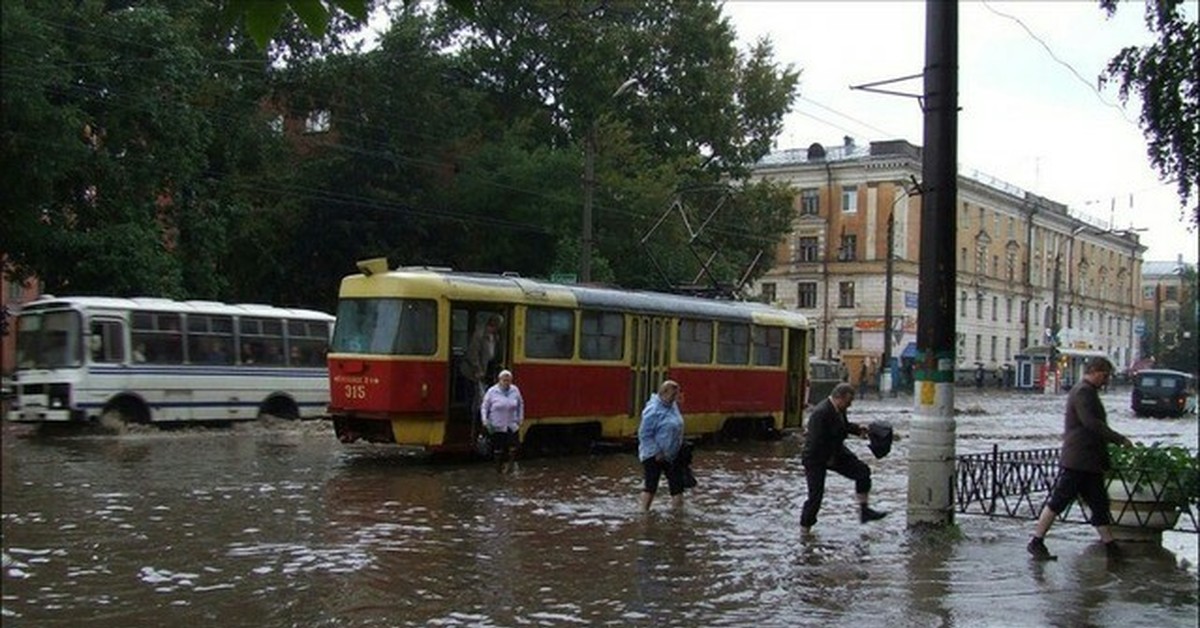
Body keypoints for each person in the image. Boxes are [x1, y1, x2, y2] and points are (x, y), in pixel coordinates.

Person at [1028, 357, 1133, 560]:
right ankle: (1036, 541)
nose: (1106, 380)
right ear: (1094, 371)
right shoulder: (1084, 391)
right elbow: (1091, 423)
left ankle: (1111, 548)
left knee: (1099, 503)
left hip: (1087, 461)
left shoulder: (1087, 390)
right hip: (1079, 460)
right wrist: (1120, 439)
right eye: (1104, 375)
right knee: (1059, 501)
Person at [800, 382, 887, 533]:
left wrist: (859, 429)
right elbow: (815, 441)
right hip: (816, 458)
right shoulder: (821, 413)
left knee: (863, 471)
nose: (850, 405)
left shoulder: (839, 409)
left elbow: (844, 426)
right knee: (816, 496)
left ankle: (864, 510)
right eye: (848, 402)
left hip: (835, 451)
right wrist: (830, 459)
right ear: (838, 398)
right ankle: (805, 528)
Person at [638, 380, 686, 512]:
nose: (674, 398)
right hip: (654, 456)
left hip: (672, 454)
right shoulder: (652, 411)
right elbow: (644, 435)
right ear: (663, 393)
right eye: (672, 395)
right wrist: (656, 452)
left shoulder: (672, 406)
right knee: (651, 486)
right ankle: (643, 512)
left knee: (677, 487)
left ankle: (677, 515)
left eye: (676, 395)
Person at [481, 369, 524, 474]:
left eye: (509, 380)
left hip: (512, 423)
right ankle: (498, 469)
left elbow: (520, 404)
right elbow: (485, 407)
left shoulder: (515, 390)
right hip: (497, 424)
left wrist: (520, 418)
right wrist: (484, 419)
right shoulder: (492, 391)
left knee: (513, 446)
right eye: (504, 380)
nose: (507, 382)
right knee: (498, 447)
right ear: (499, 380)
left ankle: (510, 467)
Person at [461, 314, 503, 416]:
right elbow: (472, 354)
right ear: (494, 324)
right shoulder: (479, 335)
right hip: (471, 372)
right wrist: (477, 369)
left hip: (486, 369)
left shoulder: (495, 337)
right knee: (473, 397)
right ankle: (470, 418)